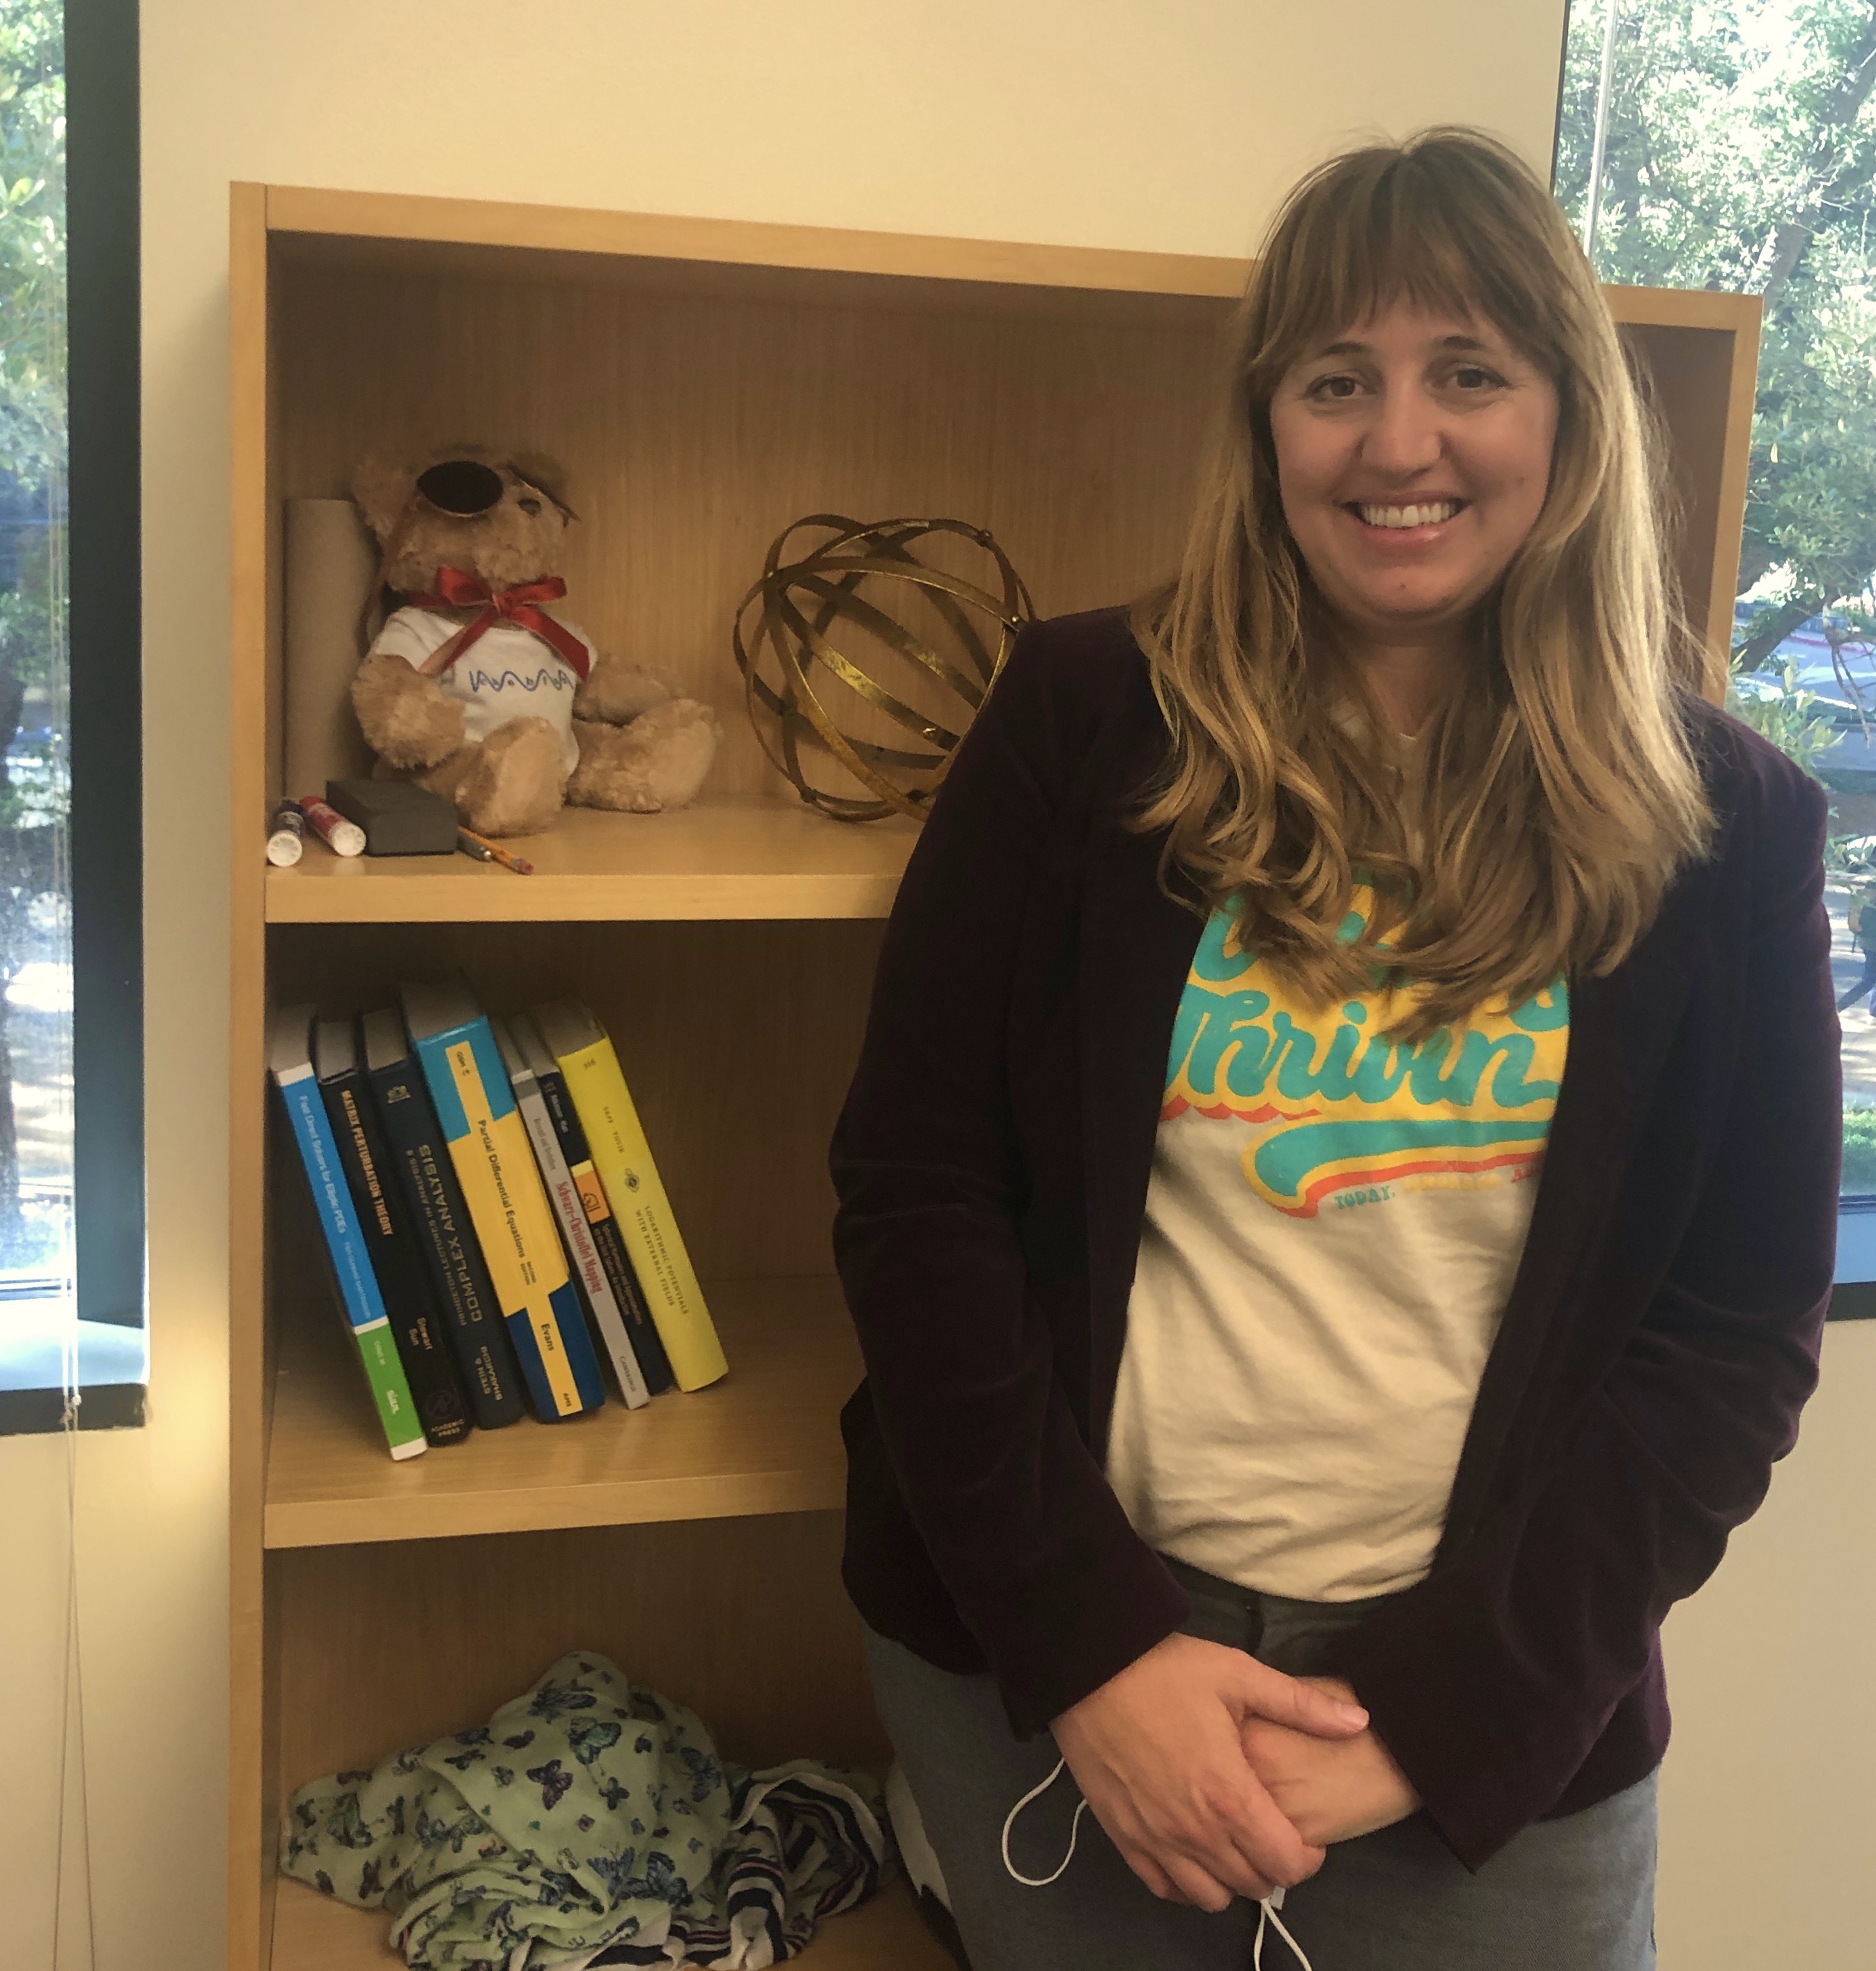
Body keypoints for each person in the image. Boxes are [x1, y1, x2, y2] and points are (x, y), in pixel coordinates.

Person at [828, 128, 1840, 1971]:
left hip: (1482, 1730)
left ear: (1567, 414)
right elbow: (918, 1199)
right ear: (1265, 425)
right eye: (1337, 382)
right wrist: (1095, 1655)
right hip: (1059, 1677)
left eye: (1471, 373)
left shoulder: (1732, 833)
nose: (1399, 444)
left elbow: (1727, 1347)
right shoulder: (1075, 725)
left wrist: (1431, 1723)